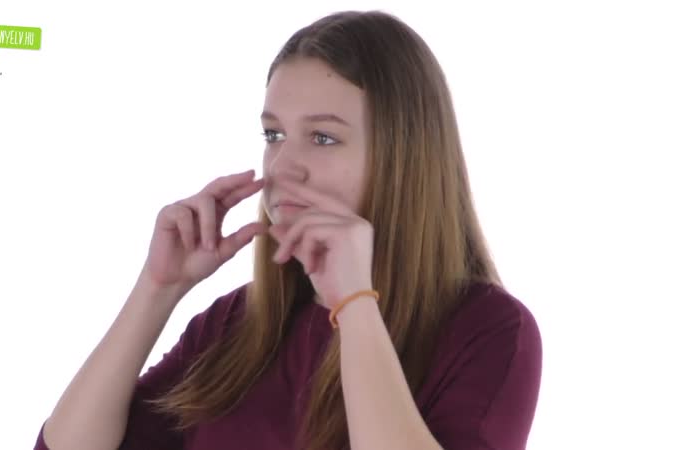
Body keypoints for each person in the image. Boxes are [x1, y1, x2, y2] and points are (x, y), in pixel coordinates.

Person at [35, 10, 542, 450]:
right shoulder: (235, 323)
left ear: (405, 157)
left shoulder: (488, 329)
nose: (282, 166)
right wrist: (157, 289)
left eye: (322, 137)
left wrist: (355, 304)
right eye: (274, 134)